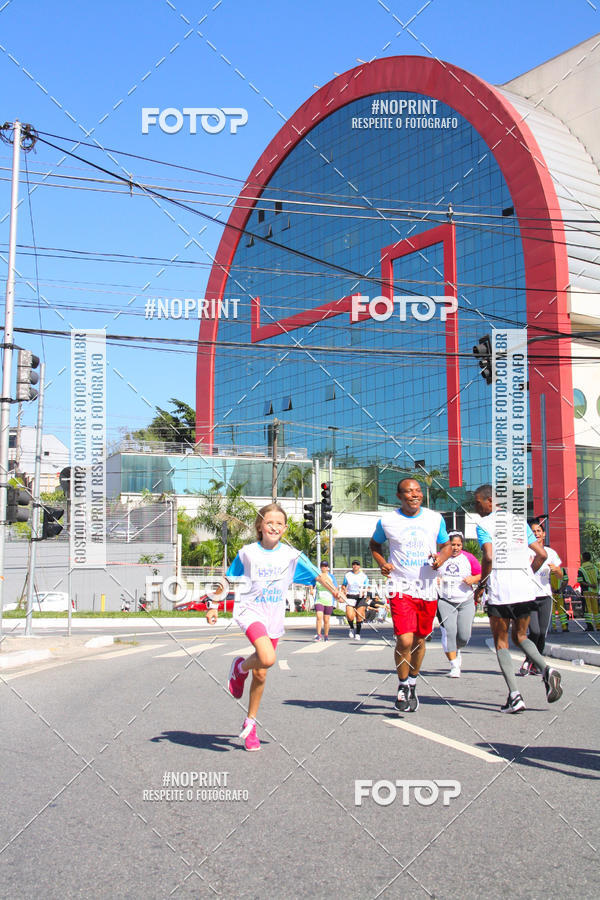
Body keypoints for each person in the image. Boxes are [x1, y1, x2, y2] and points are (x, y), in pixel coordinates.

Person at [206, 503, 340, 751]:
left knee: (261, 673)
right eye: (269, 522)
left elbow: (318, 577)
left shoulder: (292, 556)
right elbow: (228, 579)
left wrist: (336, 593)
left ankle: (250, 724)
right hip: (250, 612)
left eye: (279, 523)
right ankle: (239, 667)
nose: (274, 527)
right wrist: (213, 604)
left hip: (274, 616)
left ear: (285, 528)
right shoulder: (247, 553)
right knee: (267, 658)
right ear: (260, 525)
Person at [473, 484, 563, 713]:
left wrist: (482, 584)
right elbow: (541, 554)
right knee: (521, 635)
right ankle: (546, 670)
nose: (476, 507)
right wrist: (527, 574)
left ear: (490, 501)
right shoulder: (519, 522)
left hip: (501, 591)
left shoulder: (484, 525)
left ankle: (515, 696)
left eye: (478, 502)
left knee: (501, 641)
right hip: (524, 590)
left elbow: (489, 556)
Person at [370, 478, 452, 712]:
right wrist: (383, 563)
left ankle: (413, 681)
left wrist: (441, 558)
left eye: (417, 491)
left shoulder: (434, 518)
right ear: (399, 496)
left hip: (427, 588)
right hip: (400, 587)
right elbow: (374, 546)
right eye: (408, 492)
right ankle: (402, 684)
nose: (414, 495)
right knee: (404, 640)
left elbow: (446, 546)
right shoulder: (387, 521)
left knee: (419, 640)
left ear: (422, 496)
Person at [519, 520, 564, 674]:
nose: (536, 534)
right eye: (533, 531)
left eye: (539, 531)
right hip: (529, 597)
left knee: (542, 633)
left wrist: (556, 570)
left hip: (545, 597)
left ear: (544, 534)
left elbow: (562, 576)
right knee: (535, 631)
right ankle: (529, 659)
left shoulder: (550, 553)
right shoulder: (525, 551)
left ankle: (534, 664)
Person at [436, 531, 481, 677]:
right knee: (450, 631)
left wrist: (474, 579)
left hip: (466, 600)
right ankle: (454, 665)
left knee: (463, 636)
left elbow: (483, 573)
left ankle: (457, 649)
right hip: (445, 600)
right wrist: (434, 579)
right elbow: (428, 572)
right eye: (452, 544)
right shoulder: (440, 556)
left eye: (458, 545)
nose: (455, 548)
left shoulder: (469, 558)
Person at [341, 560, 370, 641]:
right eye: (354, 564)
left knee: (359, 616)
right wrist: (344, 589)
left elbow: (368, 586)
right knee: (350, 615)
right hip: (350, 596)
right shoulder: (348, 575)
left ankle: (358, 633)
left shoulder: (364, 576)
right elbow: (344, 585)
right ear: (352, 566)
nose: (355, 566)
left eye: (357, 564)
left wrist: (364, 591)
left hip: (360, 596)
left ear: (359, 566)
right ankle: (351, 627)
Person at [312, 561, 338, 641]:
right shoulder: (317, 576)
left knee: (326, 620)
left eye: (325, 566)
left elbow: (335, 588)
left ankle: (326, 636)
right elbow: (312, 584)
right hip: (319, 599)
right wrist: (311, 589)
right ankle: (318, 634)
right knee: (319, 617)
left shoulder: (331, 577)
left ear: (327, 567)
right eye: (322, 566)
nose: (324, 567)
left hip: (329, 600)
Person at [578, 552, 600, 631]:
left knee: (588, 609)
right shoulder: (595, 567)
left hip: (586, 591)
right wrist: (596, 586)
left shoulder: (581, 569)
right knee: (596, 609)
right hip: (595, 592)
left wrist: (590, 585)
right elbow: (598, 578)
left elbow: (580, 581)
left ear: (583, 558)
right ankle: (598, 626)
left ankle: (590, 626)